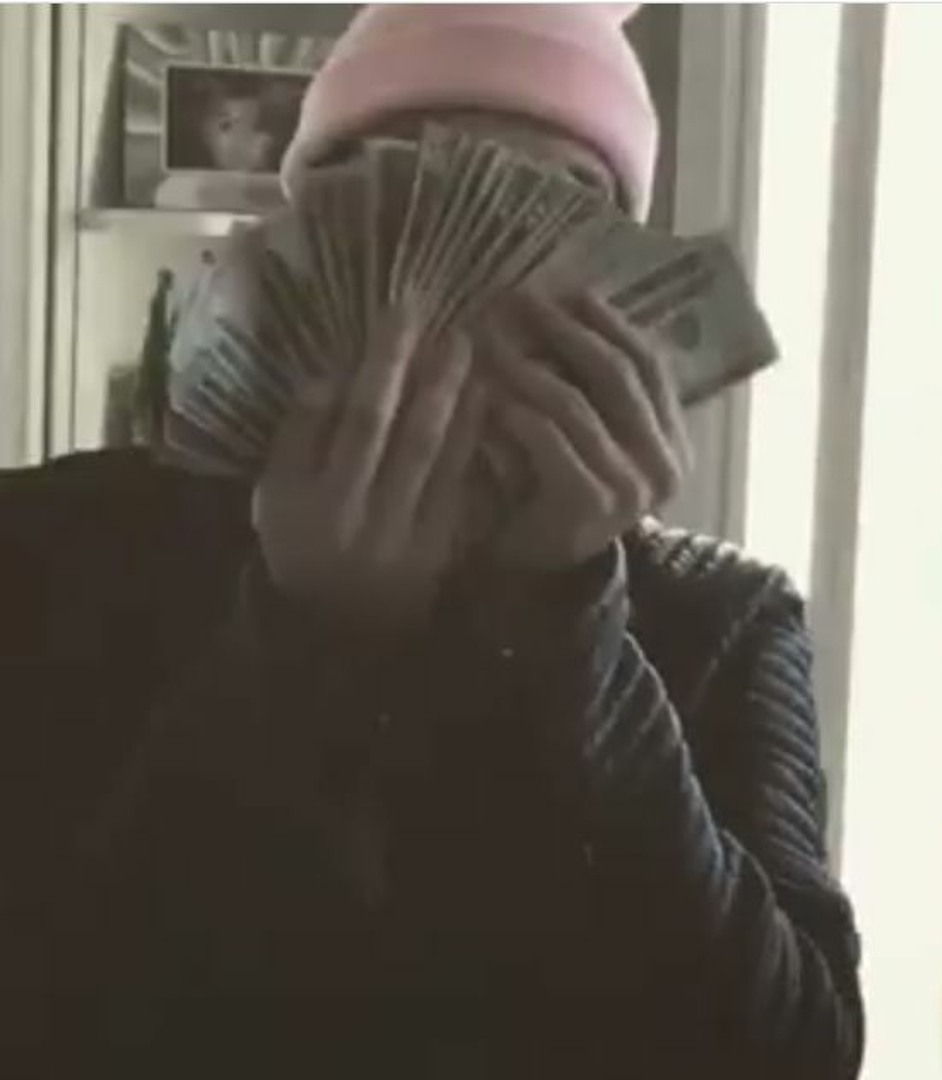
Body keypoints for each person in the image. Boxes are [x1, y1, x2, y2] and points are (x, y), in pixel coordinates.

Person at [0, 5, 864, 1078]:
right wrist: (295, 643)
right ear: (310, 243)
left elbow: (792, 1056)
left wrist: (571, 632)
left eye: (544, 217)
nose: (473, 287)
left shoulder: (726, 618)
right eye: (414, 191)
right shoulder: (55, 546)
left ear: (622, 296)